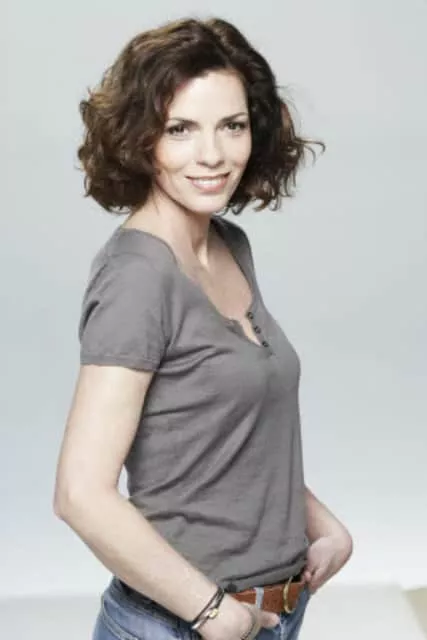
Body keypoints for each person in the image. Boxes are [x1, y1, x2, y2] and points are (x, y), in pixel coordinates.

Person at [53, 16, 353, 640]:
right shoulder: (137, 276)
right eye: (180, 129)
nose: (213, 154)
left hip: (273, 613)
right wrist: (213, 613)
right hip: (179, 624)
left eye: (232, 126)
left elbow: (225, 441)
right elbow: (80, 493)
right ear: (140, 138)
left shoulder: (228, 244)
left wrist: (320, 525)